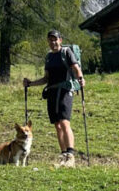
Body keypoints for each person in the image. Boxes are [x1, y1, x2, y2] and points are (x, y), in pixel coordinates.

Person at [23, 29, 85, 167]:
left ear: (60, 40)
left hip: (65, 90)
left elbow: (75, 67)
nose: (53, 42)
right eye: (50, 40)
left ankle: (71, 156)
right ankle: (63, 155)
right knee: (57, 125)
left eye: (55, 39)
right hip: (52, 92)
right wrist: (31, 83)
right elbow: (46, 78)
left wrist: (81, 78)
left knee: (64, 122)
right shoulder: (49, 57)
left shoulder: (66, 52)